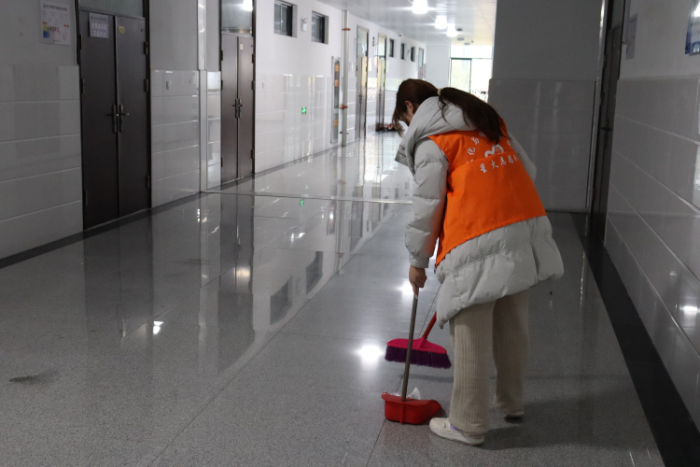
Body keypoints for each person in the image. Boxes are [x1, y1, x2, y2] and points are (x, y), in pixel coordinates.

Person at [393, 79, 564, 446]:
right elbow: (527, 170)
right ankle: (512, 401)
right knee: (512, 323)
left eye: (405, 121)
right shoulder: (484, 119)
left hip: (476, 234)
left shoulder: (433, 141)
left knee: (470, 331)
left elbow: (427, 206)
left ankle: (467, 424)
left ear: (409, 107)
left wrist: (417, 261)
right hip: (522, 225)